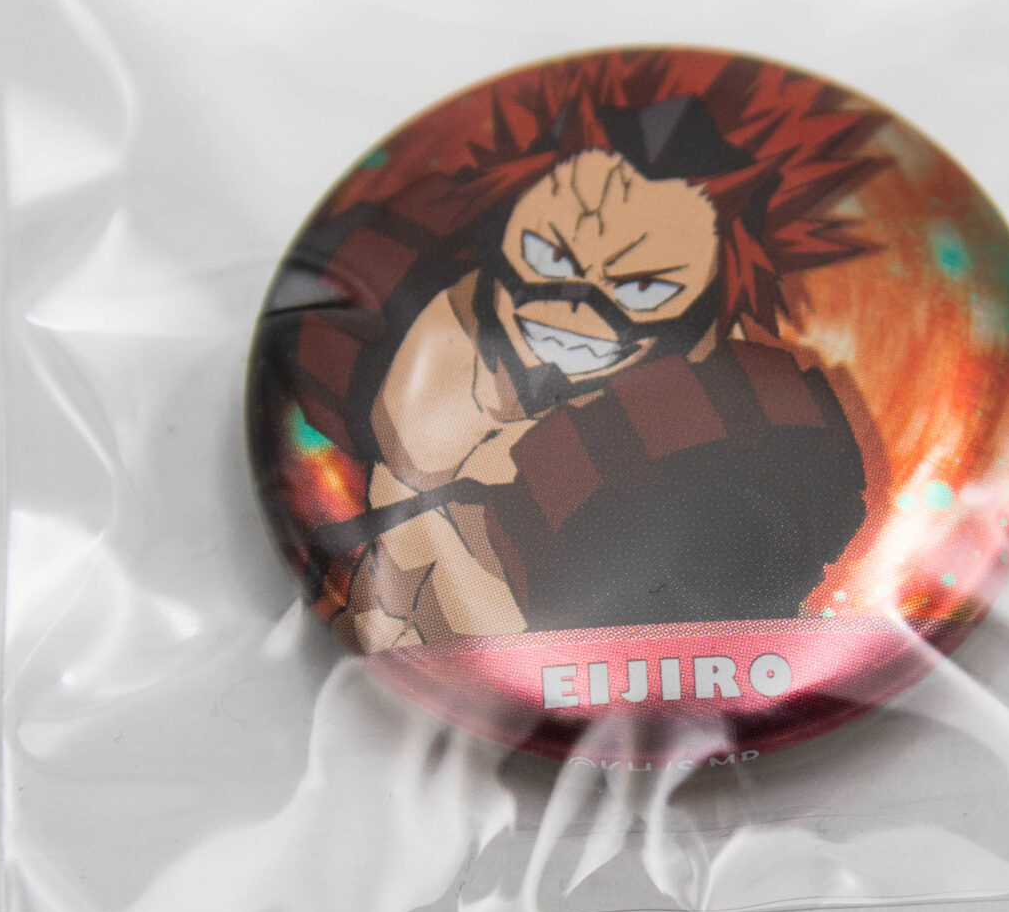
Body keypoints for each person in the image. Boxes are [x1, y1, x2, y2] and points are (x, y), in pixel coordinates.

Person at [252, 50, 892, 651]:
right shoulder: (412, 322)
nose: (569, 309)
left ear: (712, 303)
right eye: (548, 255)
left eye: (641, 287)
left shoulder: (737, 436)